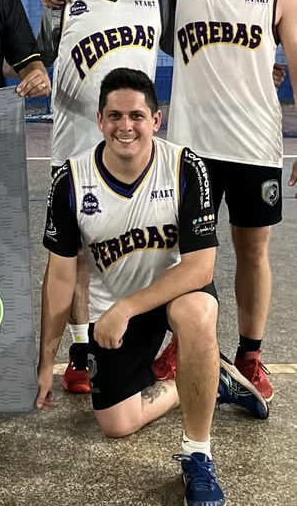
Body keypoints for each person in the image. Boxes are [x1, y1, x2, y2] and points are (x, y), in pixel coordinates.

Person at [42, 0, 297, 404]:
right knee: (146, 252)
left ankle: (246, 352)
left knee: (251, 249)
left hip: (252, 144)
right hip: (186, 145)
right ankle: (129, 348)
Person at [37, 67, 269, 506]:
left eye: (137, 116)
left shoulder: (186, 167)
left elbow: (201, 268)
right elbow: (61, 276)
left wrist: (126, 307)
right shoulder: (69, 180)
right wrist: (45, 360)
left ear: (156, 120)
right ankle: (206, 380)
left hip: (172, 291)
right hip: (117, 309)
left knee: (197, 313)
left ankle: (197, 455)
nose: (126, 126)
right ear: (99, 120)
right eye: (115, 116)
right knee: (116, 422)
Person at [38, 0, 174, 394]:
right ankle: (79, 351)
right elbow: (38, 57)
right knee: (73, 257)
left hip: (139, 154)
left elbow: (199, 52)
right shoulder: (63, 0)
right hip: (74, 146)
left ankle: (146, 340)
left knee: (147, 249)